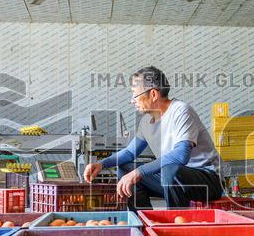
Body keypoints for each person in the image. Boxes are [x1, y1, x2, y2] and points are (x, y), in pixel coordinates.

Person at [83, 66, 223, 209]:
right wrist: (102, 164)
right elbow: (130, 152)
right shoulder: (146, 122)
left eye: (135, 95)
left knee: (170, 169)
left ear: (153, 94)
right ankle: (144, 221)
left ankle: (174, 223)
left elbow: (181, 155)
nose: (132, 101)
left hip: (207, 181)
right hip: (173, 180)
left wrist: (139, 172)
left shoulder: (181, 111)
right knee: (125, 169)